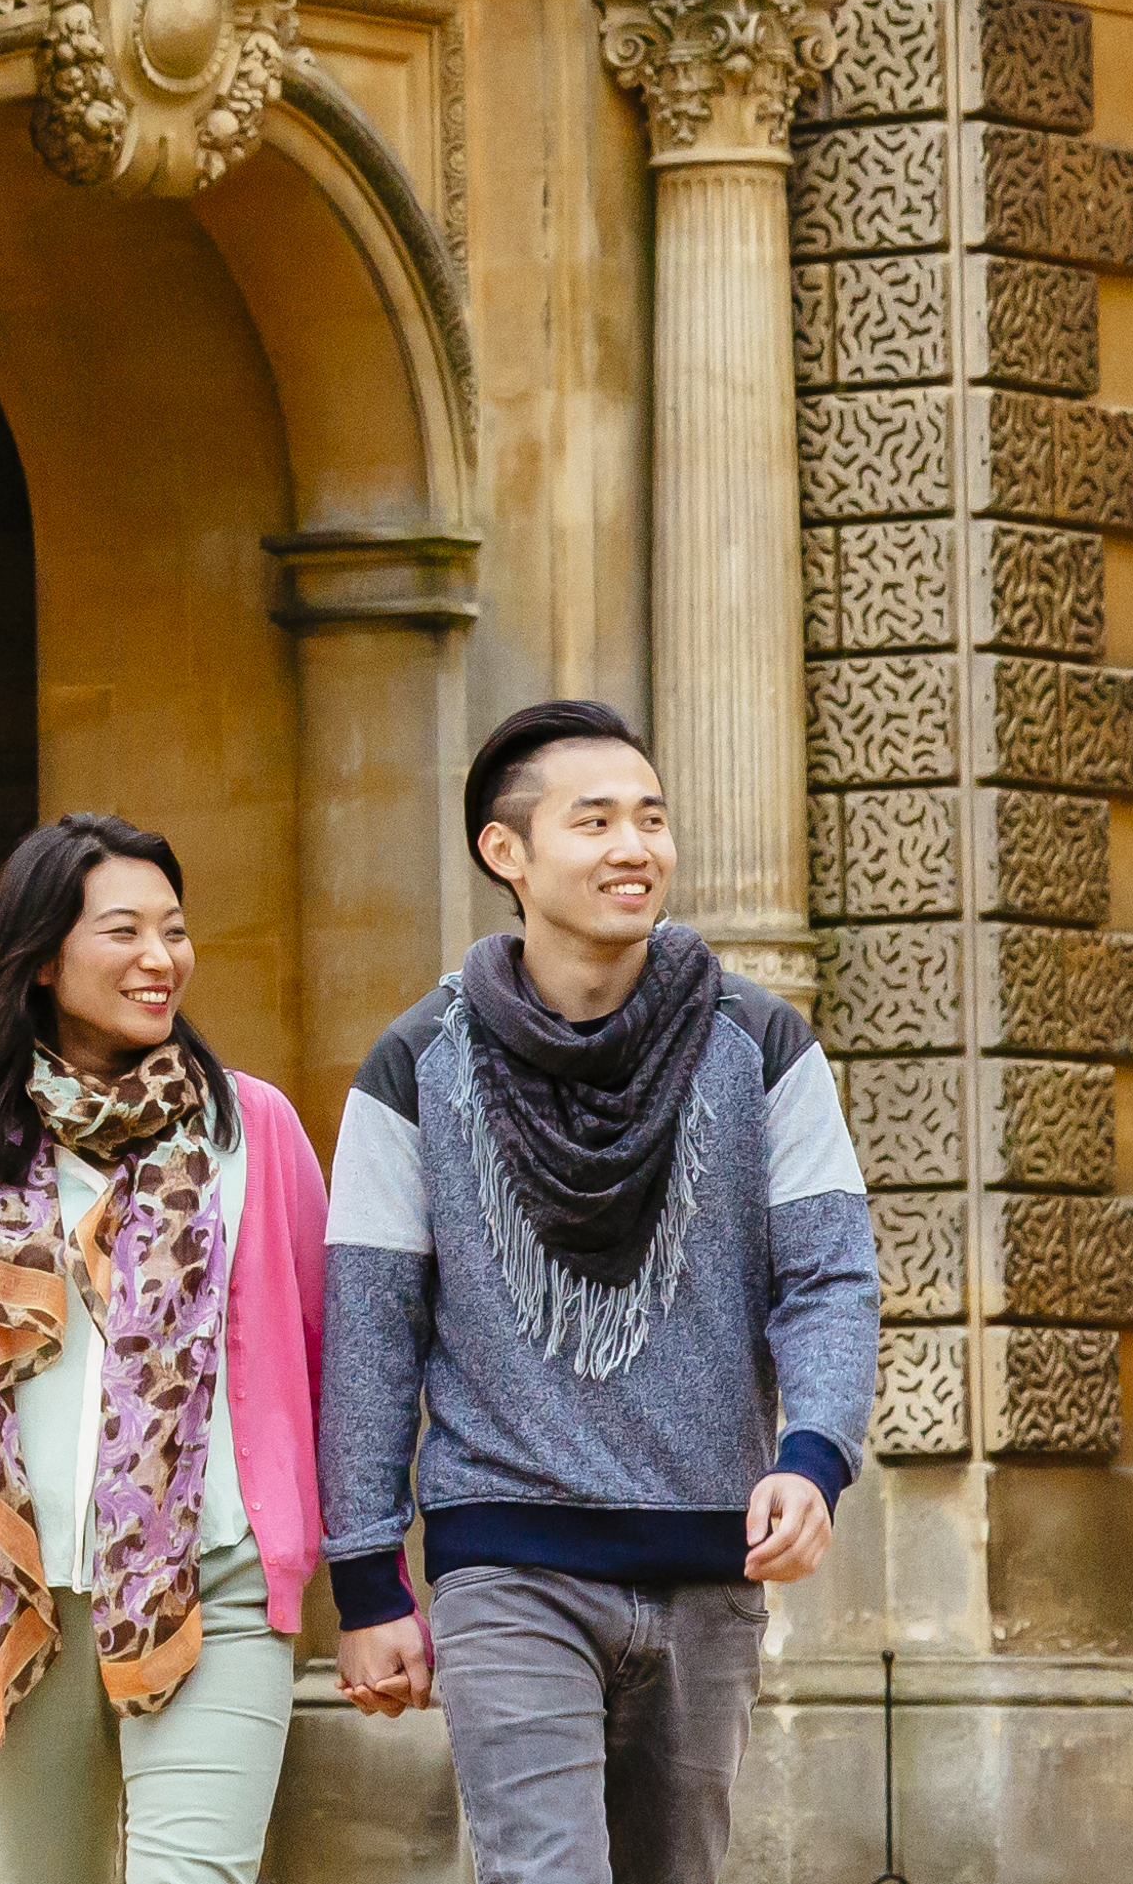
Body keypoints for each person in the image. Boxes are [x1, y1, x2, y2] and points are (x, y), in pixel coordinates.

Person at [320, 700, 880, 1884]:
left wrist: (815, 1451)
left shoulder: (762, 1044)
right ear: (504, 852)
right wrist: (368, 1576)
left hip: (704, 1562)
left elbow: (829, 1270)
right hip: (504, 1561)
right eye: (596, 820)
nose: (634, 845)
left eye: (651, 817)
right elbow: (370, 1327)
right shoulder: (408, 1066)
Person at [0, 811, 335, 1884]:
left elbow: (321, 1351)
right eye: (123, 931)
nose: (159, 958)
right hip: (20, 1593)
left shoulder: (254, 1131)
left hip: (215, 1582)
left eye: (173, 929)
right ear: (44, 956)